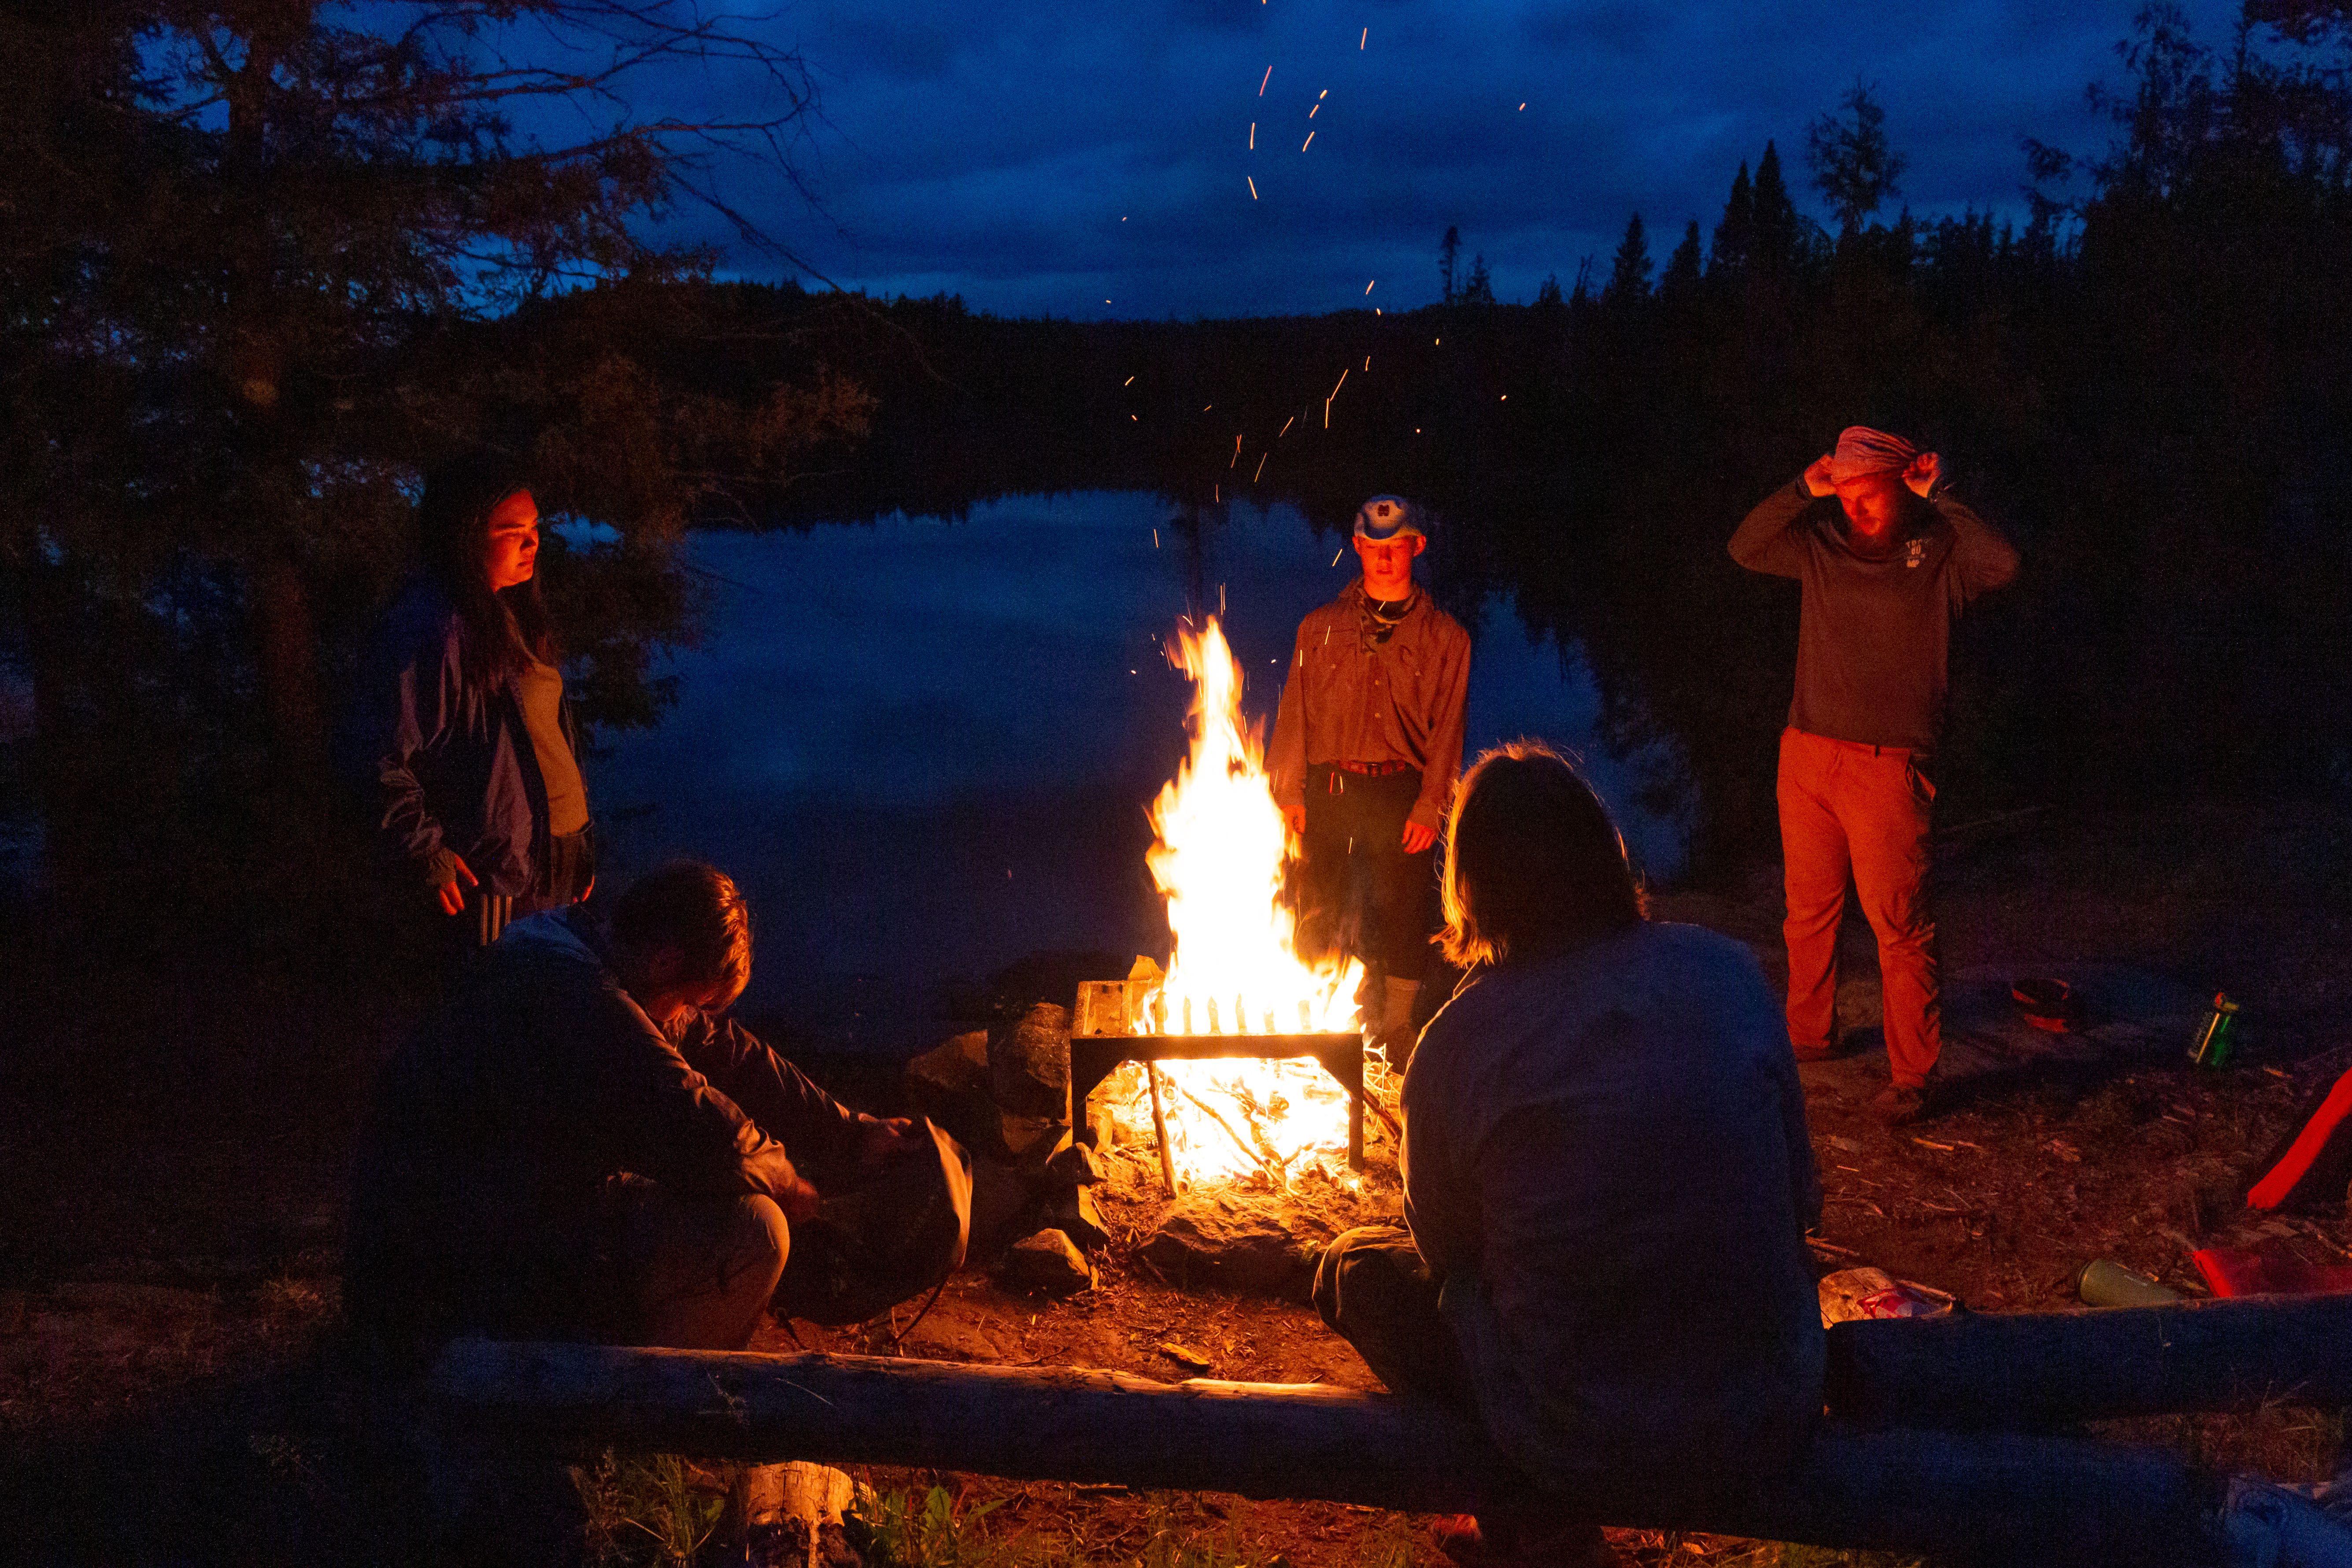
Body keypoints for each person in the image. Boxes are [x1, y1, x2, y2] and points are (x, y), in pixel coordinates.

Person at [1313, 743, 1823, 1566]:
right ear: (1604, 852)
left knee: (1352, 1269)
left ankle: (1539, 1526)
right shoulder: (1726, 971)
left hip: (1577, 1435)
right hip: (1771, 1400)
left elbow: (1445, 1255)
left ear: (1470, 886)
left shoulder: (1455, 1045)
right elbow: (1803, 1194)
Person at [345, 859, 966, 1358]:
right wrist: (790, 1183)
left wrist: (853, 1133)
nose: (691, 1017)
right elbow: (706, 1129)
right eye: (696, 999)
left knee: (714, 1204)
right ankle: (627, 1413)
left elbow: (733, 1053)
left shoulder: (589, 948)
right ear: (667, 960)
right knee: (757, 1231)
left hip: (501, 1226)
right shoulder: (571, 997)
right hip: (439, 1277)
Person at [1730, 427, 2019, 1123]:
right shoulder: (1821, 547)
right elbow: (1745, 547)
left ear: (1901, 486)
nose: (1854, 509)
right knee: (1808, 914)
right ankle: (1809, 1037)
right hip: (1806, 755)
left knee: (1899, 924)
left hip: (1888, 767)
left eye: (1869, 495)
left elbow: (2004, 564)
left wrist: (1943, 494)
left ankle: (1912, 1076)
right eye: (1847, 495)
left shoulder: (1940, 554)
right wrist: (1804, 488)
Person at [357, 449, 595, 955]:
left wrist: (578, 847)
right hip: (498, 874)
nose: (533, 542)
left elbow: (545, 743)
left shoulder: (506, 612)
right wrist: (426, 851)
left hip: (550, 862)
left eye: (535, 527)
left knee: (541, 1005)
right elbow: (374, 751)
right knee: (496, 1012)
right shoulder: (435, 626)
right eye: (513, 531)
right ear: (466, 536)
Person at [1268, 496, 1472, 1064]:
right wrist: (1289, 791)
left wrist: (1431, 803)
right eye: (1374, 547)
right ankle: (1308, 1022)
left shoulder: (1447, 640)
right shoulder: (1319, 628)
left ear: (1417, 546)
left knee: (1406, 905)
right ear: (1358, 547)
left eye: (1396, 546)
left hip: (1400, 790)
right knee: (1316, 897)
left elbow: (1449, 728)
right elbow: (1295, 714)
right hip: (1328, 785)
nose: (1385, 559)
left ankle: (1397, 1026)